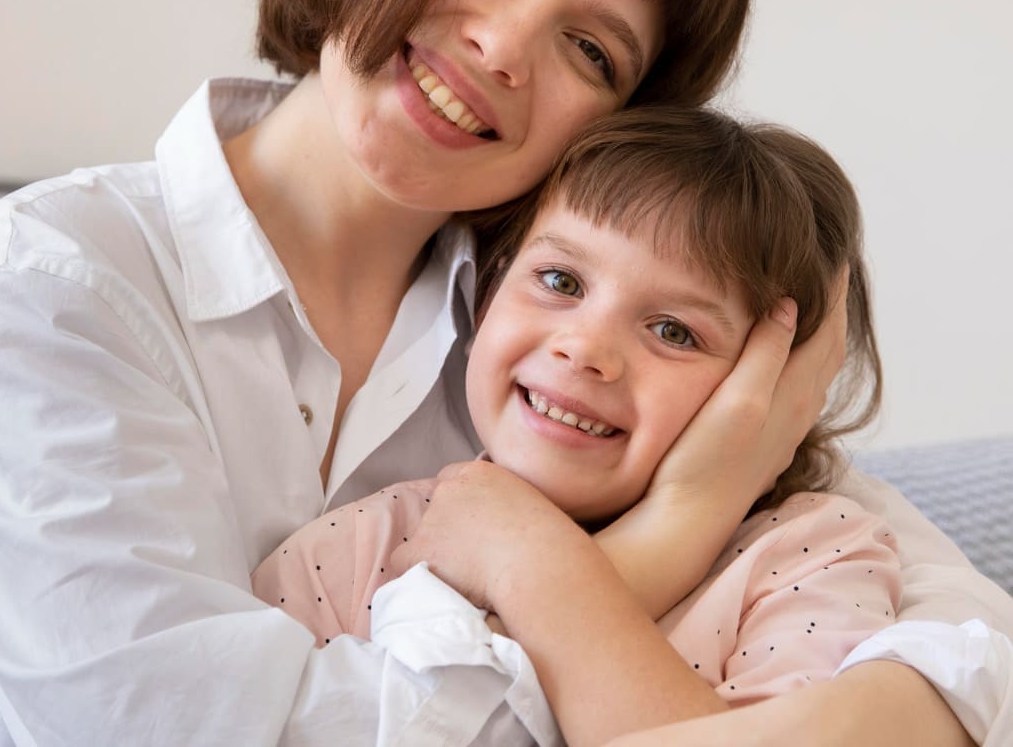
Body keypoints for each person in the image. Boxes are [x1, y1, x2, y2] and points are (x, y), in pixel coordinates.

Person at [0, 0, 1013, 746]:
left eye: (590, 49)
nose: (502, 46)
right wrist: (644, 551)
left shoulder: (563, 339)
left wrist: (709, 500)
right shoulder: (62, 277)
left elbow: (966, 645)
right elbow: (144, 725)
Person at [253, 107, 910, 746]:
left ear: (774, 393)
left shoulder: (813, 560)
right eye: (560, 281)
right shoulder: (356, 550)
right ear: (489, 291)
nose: (585, 349)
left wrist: (529, 558)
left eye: (673, 331)